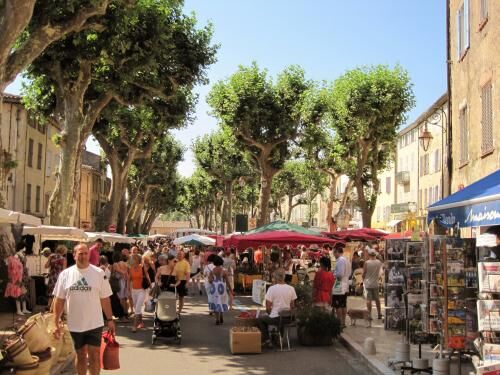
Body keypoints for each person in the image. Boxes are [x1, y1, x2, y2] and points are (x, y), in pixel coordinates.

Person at [52, 243, 114, 375]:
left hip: (94, 323)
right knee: (80, 356)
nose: (84, 256)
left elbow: (105, 299)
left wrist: (110, 319)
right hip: (75, 324)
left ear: (89, 254)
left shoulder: (98, 273)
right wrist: (55, 322)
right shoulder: (65, 275)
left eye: (86, 253)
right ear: (74, 255)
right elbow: (59, 300)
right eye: (80, 253)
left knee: (95, 356)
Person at [256, 268, 297, 349]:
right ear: (284, 277)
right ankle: (279, 339)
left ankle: (267, 340)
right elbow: (292, 306)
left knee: (260, 319)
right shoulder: (291, 288)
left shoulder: (272, 289)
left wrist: (269, 313)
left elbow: (268, 308)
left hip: (277, 318)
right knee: (280, 316)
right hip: (289, 318)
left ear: (275, 277)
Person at [129, 254, 150, 332]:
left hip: (141, 290)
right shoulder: (130, 268)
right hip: (133, 290)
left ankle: (135, 326)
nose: (131, 260)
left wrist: (150, 285)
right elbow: (129, 279)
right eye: (132, 258)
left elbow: (147, 275)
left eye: (133, 258)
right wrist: (128, 289)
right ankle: (141, 322)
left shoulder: (142, 267)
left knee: (137, 308)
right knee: (136, 307)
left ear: (137, 260)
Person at [332, 245, 351, 328]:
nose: (333, 255)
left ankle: (339, 322)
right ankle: (343, 322)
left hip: (339, 284)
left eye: (334, 253)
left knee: (338, 304)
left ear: (337, 252)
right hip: (345, 283)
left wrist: (333, 274)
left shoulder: (340, 260)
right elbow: (349, 273)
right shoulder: (346, 260)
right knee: (343, 304)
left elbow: (340, 274)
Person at [208, 256, 230, 325]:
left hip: (214, 288)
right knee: (222, 301)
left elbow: (210, 281)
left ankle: (217, 319)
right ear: (221, 262)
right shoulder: (224, 271)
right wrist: (231, 291)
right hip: (222, 288)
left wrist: (213, 281)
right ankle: (221, 315)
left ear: (214, 263)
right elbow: (227, 282)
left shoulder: (212, 271)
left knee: (215, 302)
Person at [363, 249, 383, 319]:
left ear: (369, 255)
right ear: (375, 255)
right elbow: (381, 273)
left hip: (368, 284)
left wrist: (363, 280)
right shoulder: (379, 262)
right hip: (375, 283)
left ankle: (369, 315)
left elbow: (364, 273)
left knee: (369, 300)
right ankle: (379, 314)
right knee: (377, 299)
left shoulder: (366, 263)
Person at [173, 250, 190, 315]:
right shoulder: (174, 261)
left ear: (183, 255)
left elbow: (188, 273)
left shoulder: (186, 263)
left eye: (181, 254)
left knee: (181, 297)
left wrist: (187, 282)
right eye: (178, 254)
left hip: (182, 281)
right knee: (173, 296)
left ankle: (179, 311)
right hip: (174, 280)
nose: (179, 255)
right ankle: (172, 309)